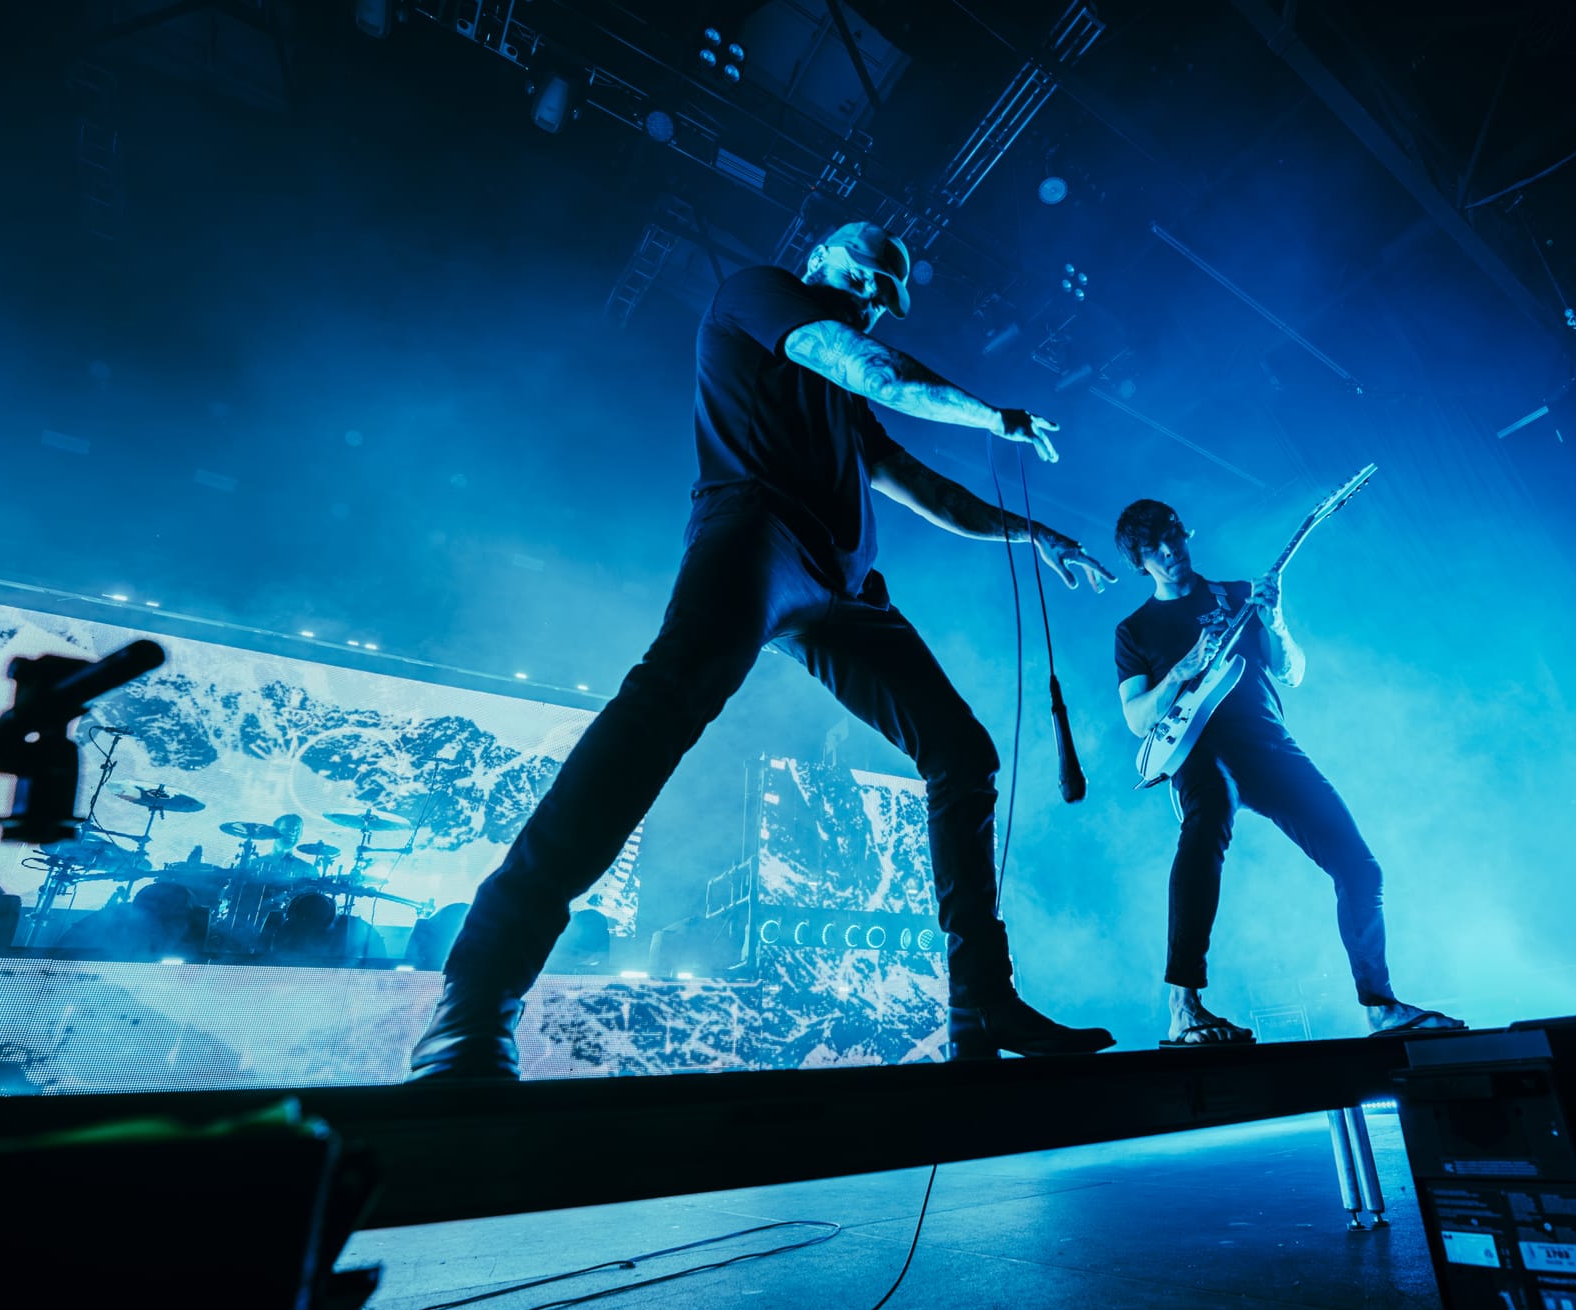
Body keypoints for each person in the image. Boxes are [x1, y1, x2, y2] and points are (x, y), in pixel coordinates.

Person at [410, 221, 1120, 1079]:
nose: (873, 300)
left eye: (887, 297)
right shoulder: (756, 292)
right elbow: (874, 367)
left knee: (963, 752)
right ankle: (478, 992)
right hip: (755, 533)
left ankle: (981, 1003)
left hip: (844, 590)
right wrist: (992, 415)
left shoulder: (845, 400)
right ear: (821, 258)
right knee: (665, 702)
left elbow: (926, 489)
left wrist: (1035, 533)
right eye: (865, 279)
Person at [1111, 499, 1462, 1044]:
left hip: (1268, 743)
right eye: (1154, 548)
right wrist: (1180, 672)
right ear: (1139, 562)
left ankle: (1380, 1007)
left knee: (1360, 866)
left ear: (1184, 534)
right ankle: (1183, 1008)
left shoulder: (1235, 595)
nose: (1169, 551)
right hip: (1202, 751)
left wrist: (1275, 620)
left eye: (1173, 536)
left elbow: (1291, 672)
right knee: (1205, 830)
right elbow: (1137, 720)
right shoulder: (1134, 630)